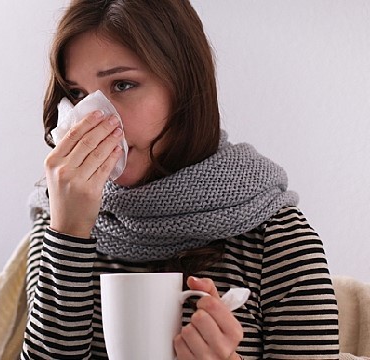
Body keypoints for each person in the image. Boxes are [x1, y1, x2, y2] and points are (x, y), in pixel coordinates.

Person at [21, 0, 339, 359]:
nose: (91, 118)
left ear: (184, 89)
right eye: (78, 94)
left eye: (123, 84)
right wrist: (68, 235)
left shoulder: (278, 242)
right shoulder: (59, 218)